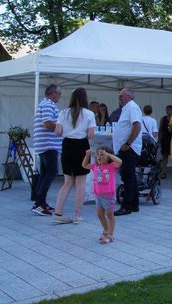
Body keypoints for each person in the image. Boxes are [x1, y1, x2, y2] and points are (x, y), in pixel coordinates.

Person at [53, 87, 96, 224]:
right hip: (82, 147)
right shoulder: (89, 114)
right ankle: (77, 215)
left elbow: (58, 132)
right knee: (80, 183)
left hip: (67, 146)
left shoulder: (63, 113)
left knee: (67, 182)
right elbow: (90, 135)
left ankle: (58, 213)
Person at [31, 84, 63, 216]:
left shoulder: (44, 104)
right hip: (49, 145)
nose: (60, 96)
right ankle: (39, 203)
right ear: (52, 93)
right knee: (51, 172)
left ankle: (41, 202)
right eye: (59, 93)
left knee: (45, 174)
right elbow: (48, 123)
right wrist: (61, 128)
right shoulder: (48, 105)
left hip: (44, 145)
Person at [112, 88, 142, 216]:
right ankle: (134, 204)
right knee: (130, 177)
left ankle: (126, 206)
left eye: (121, 96)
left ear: (129, 96)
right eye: (119, 96)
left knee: (127, 177)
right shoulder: (127, 108)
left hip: (128, 148)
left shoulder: (132, 107)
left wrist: (128, 143)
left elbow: (137, 126)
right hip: (125, 148)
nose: (119, 98)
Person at [82, 146, 122, 244]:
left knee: (109, 215)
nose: (99, 157)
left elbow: (119, 162)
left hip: (109, 196)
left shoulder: (112, 166)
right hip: (98, 195)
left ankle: (110, 234)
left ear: (108, 157)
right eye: (98, 155)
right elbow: (84, 165)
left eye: (102, 155)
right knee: (100, 215)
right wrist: (87, 155)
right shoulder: (95, 166)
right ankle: (106, 231)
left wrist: (108, 154)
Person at [158, 105, 172, 178]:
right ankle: (164, 172)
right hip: (164, 139)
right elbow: (160, 129)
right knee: (164, 156)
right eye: (167, 110)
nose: (167, 111)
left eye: (169, 110)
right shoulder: (163, 119)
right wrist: (159, 139)